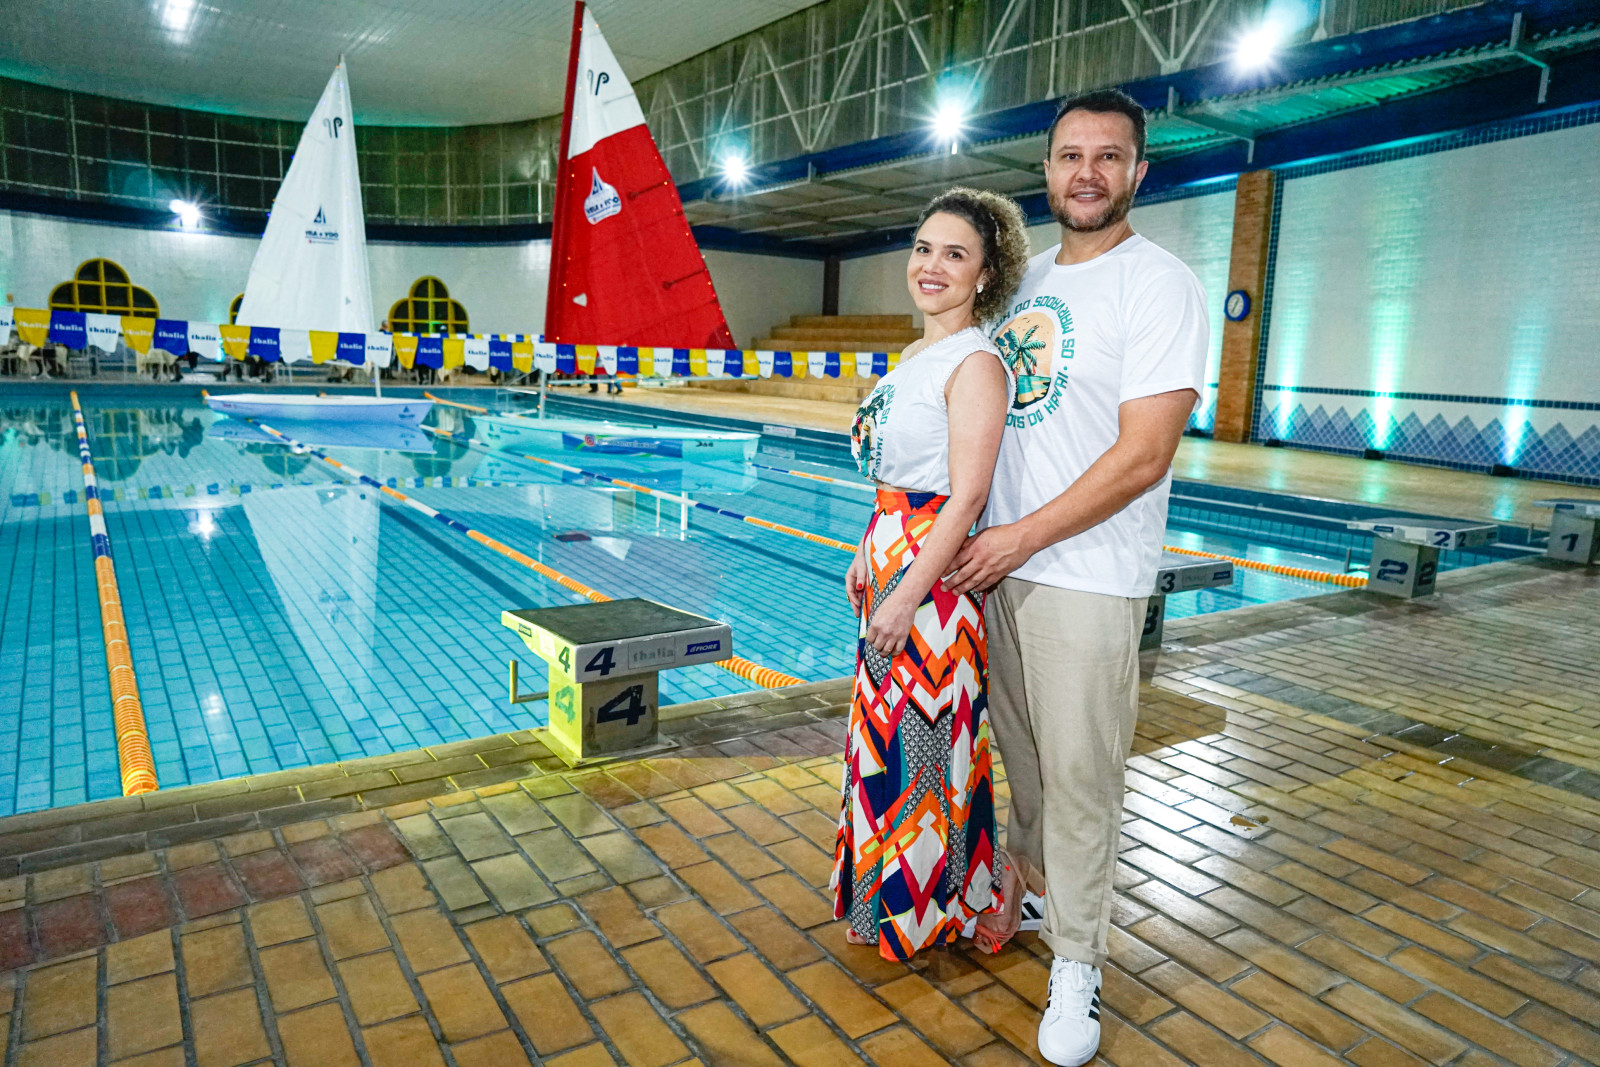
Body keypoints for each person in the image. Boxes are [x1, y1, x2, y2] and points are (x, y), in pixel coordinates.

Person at [944, 89, 1209, 1065]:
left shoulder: (1160, 285)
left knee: (1081, 777)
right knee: (1024, 760)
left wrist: (1018, 539)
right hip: (999, 565)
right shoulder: (1024, 280)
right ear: (1047, 169)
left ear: (1138, 171)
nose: (1086, 172)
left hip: (1087, 575)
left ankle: (1078, 961)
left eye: (1108, 156)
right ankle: (1034, 888)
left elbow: (1144, 454)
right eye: (1069, 155)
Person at [831, 187, 1030, 960]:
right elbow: (896, 476)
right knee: (883, 739)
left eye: (955, 254)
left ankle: (927, 910)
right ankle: (886, 901)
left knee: (922, 742)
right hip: (892, 555)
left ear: (986, 274)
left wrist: (908, 592)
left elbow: (966, 495)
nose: (932, 266)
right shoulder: (915, 357)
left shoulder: (976, 364)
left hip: (931, 583)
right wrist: (866, 546)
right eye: (923, 249)